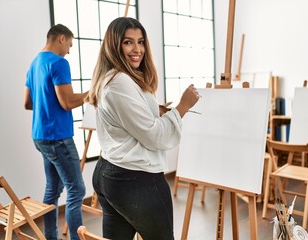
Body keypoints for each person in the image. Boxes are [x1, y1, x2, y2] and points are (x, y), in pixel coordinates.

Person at [86, 17, 200, 240]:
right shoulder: (120, 82)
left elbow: (125, 118)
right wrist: (183, 106)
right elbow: (155, 136)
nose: (137, 49)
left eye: (141, 42)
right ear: (114, 45)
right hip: (135, 178)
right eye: (128, 42)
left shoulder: (112, 77)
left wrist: (152, 109)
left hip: (112, 172)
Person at [23, 24, 87, 240]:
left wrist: (46, 103)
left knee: (53, 189)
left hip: (40, 136)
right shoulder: (59, 63)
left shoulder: (34, 64)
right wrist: (91, 93)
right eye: (69, 44)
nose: (69, 50)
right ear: (61, 38)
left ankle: (51, 237)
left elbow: (27, 103)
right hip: (58, 138)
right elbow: (68, 102)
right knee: (76, 190)